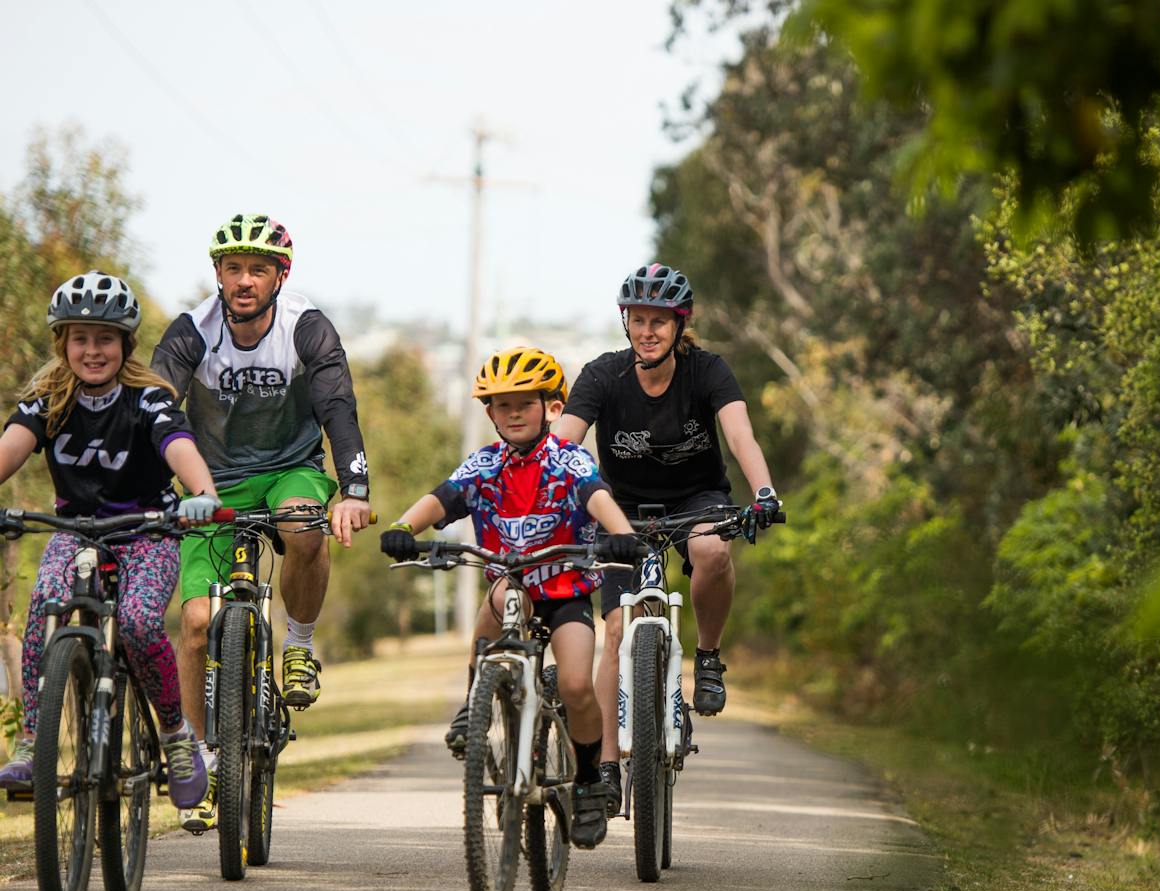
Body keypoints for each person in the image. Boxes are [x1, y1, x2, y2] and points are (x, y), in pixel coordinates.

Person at [151, 213, 374, 832]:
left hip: (289, 470)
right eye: (232, 268)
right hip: (209, 484)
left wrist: (352, 489)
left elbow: (338, 409)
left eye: (257, 268)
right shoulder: (191, 333)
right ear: (217, 274)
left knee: (302, 524)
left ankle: (299, 647)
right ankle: (196, 756)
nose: (244, 280)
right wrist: (145, 492)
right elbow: (155, 409)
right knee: (196, 623)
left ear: (281, 274)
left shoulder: (307, 328)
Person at [379, 347, 641, 848]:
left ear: (553, 408)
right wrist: (401, 527)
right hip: (512, 587)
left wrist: (621, 534)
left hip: (565, 594)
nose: (514, 413)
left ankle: (587, 780)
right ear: (490, 414)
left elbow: (597, 496)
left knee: (575, 685)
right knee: (500, 590)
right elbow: (441, 498)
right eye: (502, 405)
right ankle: (475, 698)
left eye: (525, 403)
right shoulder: (486, 464)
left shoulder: (567, 459)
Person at [554, 263, 782, 816]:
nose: (648, 331)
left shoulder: (707, 372)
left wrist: (765, 492)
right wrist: (548, 492)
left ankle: (706, 657)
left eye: (660, 321)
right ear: (625, 323)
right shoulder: (603, 376)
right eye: (638, 320)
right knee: (614, 630)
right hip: (621, 511)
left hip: (696, 500)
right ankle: (607, 765)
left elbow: (739, 433)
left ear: (681, 326)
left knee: (711, 551)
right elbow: (563, 444)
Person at [0, 273, 220, 809]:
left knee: (142, 622)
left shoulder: (148, 400)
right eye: (81, 338)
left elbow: (178, 445)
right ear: (63, 344)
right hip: (73, 533)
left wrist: (202, 493)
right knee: (44, 610)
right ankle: (33, 741)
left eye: (105, 339)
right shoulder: (47, 401)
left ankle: (175, 735)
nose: (93, 351)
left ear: (126, 344)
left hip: (146, 533)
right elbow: (11, 447)